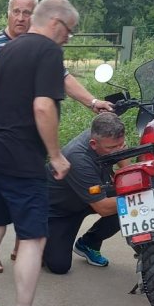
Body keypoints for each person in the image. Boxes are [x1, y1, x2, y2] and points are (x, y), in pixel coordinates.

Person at [0, 0, 114, 272]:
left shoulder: (38, 47)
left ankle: (14, 256)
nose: (21, 17)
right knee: (12, 220)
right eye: (16, 11)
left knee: (9, 222)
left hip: (15, 145)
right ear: (8, 13)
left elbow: (63, 79)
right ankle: (9, 269)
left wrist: (92, 101)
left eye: (27, 12)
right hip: (6, 142)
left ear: (35, 15)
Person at [0, 0, 77, 306]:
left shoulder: (5, 51)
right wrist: (55, 155)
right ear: (56, 23)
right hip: (20, 158)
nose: (68, 38)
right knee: (32, 238)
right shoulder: (48, 52)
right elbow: (43, 107)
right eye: (69, 31)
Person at [43, 112, 125, 274]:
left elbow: (122, 155)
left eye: (120, 145)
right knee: (59, 266)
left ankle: (89, 243)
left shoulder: (107, 137)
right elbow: (103, 208)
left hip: (89, 195)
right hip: (59, 210)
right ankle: (39, 236)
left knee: (129, 201)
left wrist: (128, 176)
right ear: (93, 144)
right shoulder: (78, 158)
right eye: (111, 148)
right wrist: (139, 198)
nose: (117, 152)